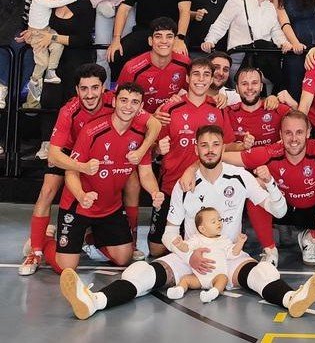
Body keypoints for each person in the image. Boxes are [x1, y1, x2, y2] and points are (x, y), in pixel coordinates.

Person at [59, 124, 315, 320]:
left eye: (215, 145)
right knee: (142, 272)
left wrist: (271, 185)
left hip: (227, 254)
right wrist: (189, 255)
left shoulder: (240, 177)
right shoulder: (185, 184)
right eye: (204, 145)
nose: (210, 150)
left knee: (262, 272)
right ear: (196, 149)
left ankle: (292, 298)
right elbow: (168, 235)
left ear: (222, 147)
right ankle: (94, 301)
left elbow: (280, 212)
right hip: (189, 254)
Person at [19, 64, 161, 276]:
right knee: (48, 191)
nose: (90, 94)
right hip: (71, 153)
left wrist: (141, 150)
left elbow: (155, 124)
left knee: (132, 180)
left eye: (95, 88)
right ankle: (37, 248)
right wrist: (82, 166)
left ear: (104, 89)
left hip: (107, 151)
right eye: (84, 89)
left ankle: (124, 239)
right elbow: (54, 155)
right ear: (77, 91)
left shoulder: (118, 101)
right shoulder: (69, 110)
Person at [227, 111, 315, 266]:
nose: (294, 139)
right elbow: (225, 158)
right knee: (255, 195)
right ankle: (270, 251)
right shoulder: (270, 152)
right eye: (288, 133)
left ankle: (311, 238)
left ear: (308, 132)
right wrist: (198, 163)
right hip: (284, 208)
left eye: (299, 132)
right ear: (280, 134)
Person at [54, 82, 165, 271]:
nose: (128, 106)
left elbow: (145, 173)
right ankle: (47, 242)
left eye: (134, 102)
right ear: (114, 101)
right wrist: (82, 195)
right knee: (66, 268)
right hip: (79, 206)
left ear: (140, 108)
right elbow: (71, 171)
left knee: (123, 259)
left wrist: (155, 192)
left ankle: (91, 237)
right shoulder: (92, 131)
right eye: (123, 100)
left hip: (110, 207)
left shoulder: (139, 136)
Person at [151, 57, 239, 257]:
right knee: (156, 250)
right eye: (196, 74)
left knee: (206, 247)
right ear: (188, 79)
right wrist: (157, 149)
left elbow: (227, 146)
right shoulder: (169, 108)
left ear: (211, 80)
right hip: (172, 184)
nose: (201, 79)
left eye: (206, 75)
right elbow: (153, 149)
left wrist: (245, 145)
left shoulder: (218, 108)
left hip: (206, 187)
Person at [32, 0, 97, 157]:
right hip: (54, 60)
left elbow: (83, 39)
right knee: (49, 101)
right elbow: (40, 23)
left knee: (72, 104)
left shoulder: (84, 3)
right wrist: (32, 32)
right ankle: (47, 143)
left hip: (77, 61)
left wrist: (53, 38)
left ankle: (72, 146)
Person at [202, 0, 298, 88]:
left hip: (264, 60)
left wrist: (284, 43)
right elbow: (221, 24)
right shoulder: (237, 0)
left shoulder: (270, 7)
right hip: (240, 56)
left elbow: (276, 31)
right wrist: (210, 40)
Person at [166, 207, 247, 303]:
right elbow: (187, 248)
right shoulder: (197, 239)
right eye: (213, 222)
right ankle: (179, 290)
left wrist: (240, 243)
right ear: (202, 229)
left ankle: (213, 292)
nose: (218, 223)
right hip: (199, 278)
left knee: (223, 279)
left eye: (219, 219)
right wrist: (180, 245)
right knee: (186, 279)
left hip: (216, 276)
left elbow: (233, 253)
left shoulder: (224, 240)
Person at [116, 17, 191, 115]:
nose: (164, 41)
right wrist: (151, 118)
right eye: (158, 36)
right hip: (140, 122)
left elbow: (197, 92)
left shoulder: (185, 63)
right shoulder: (132, 68)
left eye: (169, 36)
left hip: (172, 120)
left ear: (175, 40)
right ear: (150, 41)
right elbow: (119, 104)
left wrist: (216, 96)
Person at [0, 0, 39, 110]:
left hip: (32, 31)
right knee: (11, 46)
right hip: (6, 28)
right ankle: (3, 89)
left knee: (30, 58)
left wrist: (32, 32)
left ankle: (12, 98)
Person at [26, 0, 78, 90]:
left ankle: (51, 71)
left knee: (58, 45)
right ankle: (35, 79)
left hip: (47, 31)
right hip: (36, 33)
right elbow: (55, 3)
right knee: (42, 62)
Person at [226, 66, 292, 148]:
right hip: (240, 160)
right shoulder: (227, 113)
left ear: (261, 86)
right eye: (244, 84)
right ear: (237, 88)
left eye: (254, 83)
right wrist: (240, 146)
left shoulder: (276, 108)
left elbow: (303, 127)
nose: (250, 88)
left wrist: (294, 105)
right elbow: (219, 146)